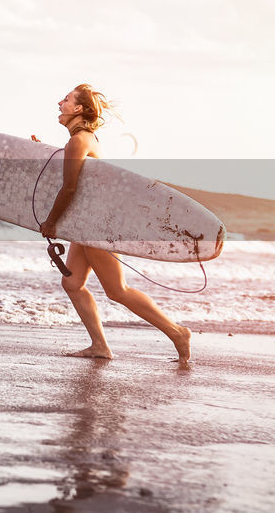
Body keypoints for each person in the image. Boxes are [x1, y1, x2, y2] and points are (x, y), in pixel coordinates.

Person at [36, 85, 191, 362]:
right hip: (88, 225)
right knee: (72, 284)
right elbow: (80, 181)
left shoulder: (78, 141)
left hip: (97, 227)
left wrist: (51, 222)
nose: (60, 103)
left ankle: (177, 332)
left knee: (117, 290)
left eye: (67, 100)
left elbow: (69, 188)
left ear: (79, 109)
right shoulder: (85, 139)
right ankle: (99, 346)